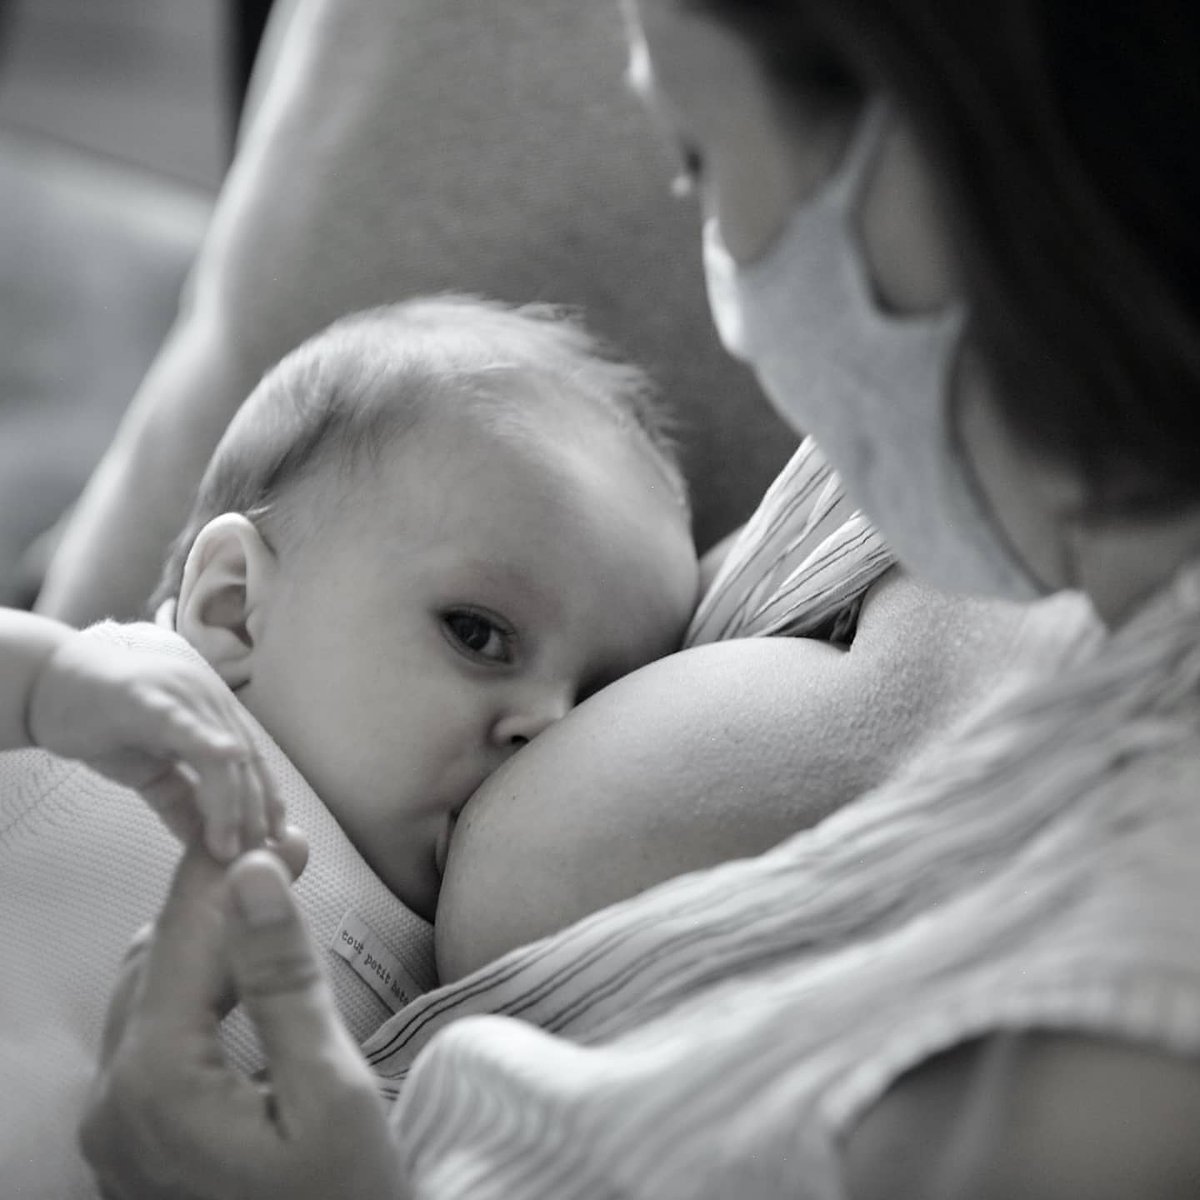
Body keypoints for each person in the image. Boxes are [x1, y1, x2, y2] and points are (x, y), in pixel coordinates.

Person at [0, 294, 701, 1196]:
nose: (549, 728)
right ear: (232, 609)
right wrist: (40, 678)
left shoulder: (452, 981)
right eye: (478, 632)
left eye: (602, 701)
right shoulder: (126, 709)